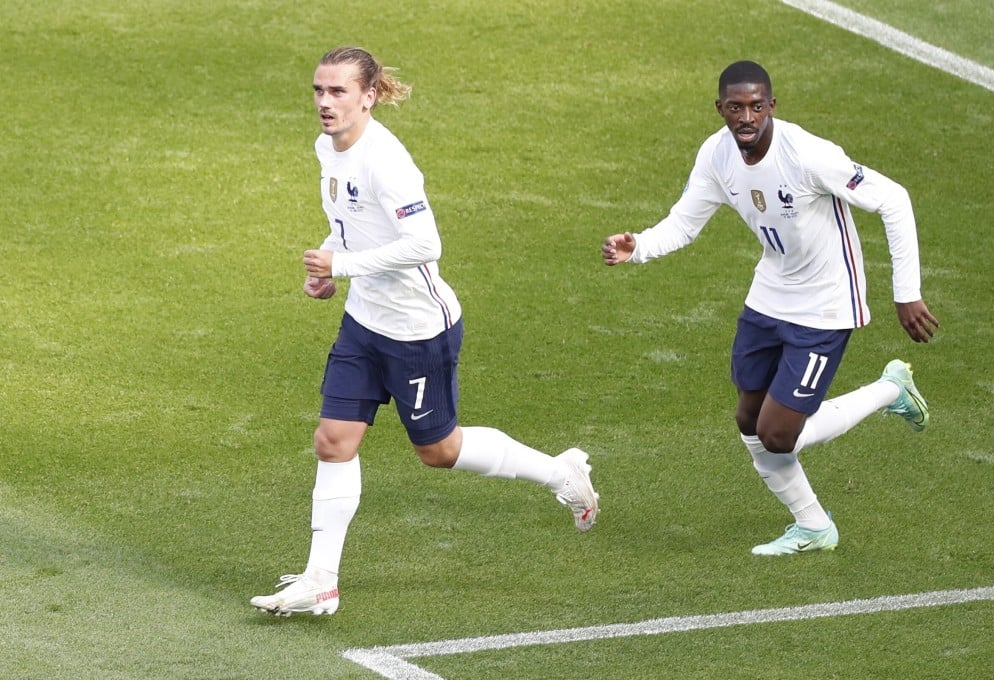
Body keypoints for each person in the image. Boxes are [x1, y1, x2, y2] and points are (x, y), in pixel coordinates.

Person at [251, 46, 599, 616]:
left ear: (368, 96)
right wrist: (333, 266)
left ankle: (562, 472)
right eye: (318, 90)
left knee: (439, 450)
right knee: (332, 440)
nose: (324, 102)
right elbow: (351, 224)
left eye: (338, 92)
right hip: (364, 323)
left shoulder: (387, 162)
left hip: (417, 331)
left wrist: (340, 267)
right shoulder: (326, 148)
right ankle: (321, 580)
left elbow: (425, 245)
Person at [601, 60, 939, 556]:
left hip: (825, 306)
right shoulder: (717, 155)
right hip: (770, 294)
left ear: (772, 107)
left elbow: (894, 199)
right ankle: (814, 526)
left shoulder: (807, 154)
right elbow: (685, 222)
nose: (747, 117)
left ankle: (891, 389)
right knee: (748, 420)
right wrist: (640, 246)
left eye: (757, 106)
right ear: (719, 109)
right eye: (735, 107)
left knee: (778, 435)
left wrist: (906, 292)